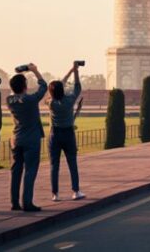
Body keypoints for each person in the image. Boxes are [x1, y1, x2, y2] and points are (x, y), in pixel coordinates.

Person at [7, 63, 47, 212]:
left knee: (16, 171)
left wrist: (19, 78)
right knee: (30, 171)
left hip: (17, 138)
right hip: (31, 139)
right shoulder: (30, 100)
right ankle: (27, 202)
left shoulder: (9, 100)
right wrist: (35, 71)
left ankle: (14, 202)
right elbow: (43, 86)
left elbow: (16, 92)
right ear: (25, 86)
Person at [47, 63, 84, 202]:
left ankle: (55, 194)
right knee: (72, 163)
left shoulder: (50, 103)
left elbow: (56, 88)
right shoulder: (69, 100)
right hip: (68, 133)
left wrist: (70, 71)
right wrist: (75, 72)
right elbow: (77, 87)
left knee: (54, 165)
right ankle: (76, 191)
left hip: (55, 134)